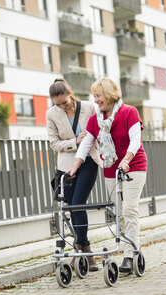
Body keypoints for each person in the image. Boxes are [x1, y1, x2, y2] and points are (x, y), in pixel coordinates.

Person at [69, 77, 147, 274]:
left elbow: (135, 141)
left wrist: (127, 160)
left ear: (110, 94)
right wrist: (75, 167)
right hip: (111, 169)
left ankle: (129, 256)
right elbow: (86, 144)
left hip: (133, 166)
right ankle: (131, 247)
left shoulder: (129, 112)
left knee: (129, 209)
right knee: (119, 212)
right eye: (94, 96)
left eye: (98, 95)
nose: (96, 100)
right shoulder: (96, 120)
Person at [46, 78, 102, 272]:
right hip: (67, 166)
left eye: (64, 102)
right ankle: (86, 250)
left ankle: (82, 251)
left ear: (69, 93)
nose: (62, 106)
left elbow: (101, 131)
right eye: (58, 104)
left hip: (88, 161)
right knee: (72, 208)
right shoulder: (51, 114)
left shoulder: (88, 107)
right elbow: (54, 143)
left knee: (78, 203)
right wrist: (74, 142)